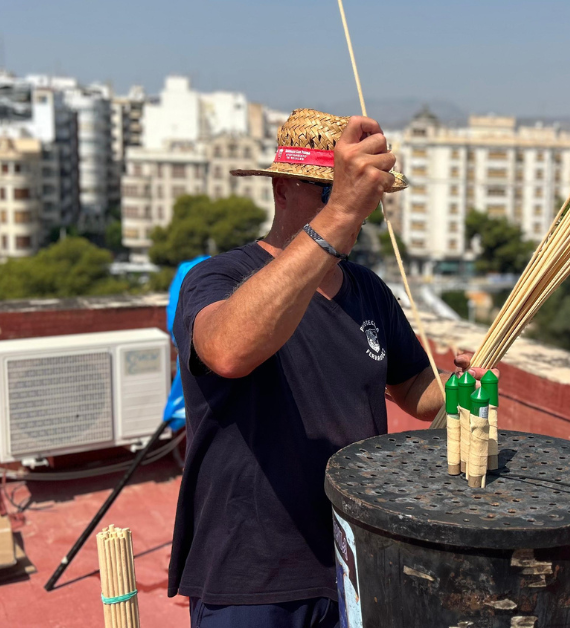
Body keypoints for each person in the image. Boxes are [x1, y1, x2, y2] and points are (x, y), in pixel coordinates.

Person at [167, 110, 445, 628]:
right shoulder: (219, 276)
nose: (356, 210)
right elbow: (228, 349)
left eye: (362, 196)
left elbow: (413, 387)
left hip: (353, 560)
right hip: (250, 575)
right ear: (281, 188)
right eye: (331, 191)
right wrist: (337, 215)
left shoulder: (368, 290)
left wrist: (462, 386)